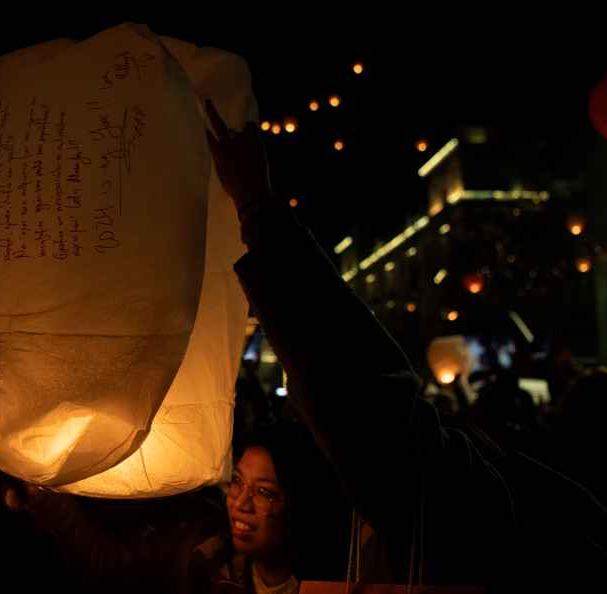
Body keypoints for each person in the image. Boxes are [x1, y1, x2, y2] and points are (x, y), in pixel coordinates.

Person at [204, 99, 607, 591]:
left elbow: (377, 414)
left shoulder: (527, 525)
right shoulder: (563, 517)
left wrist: (258, 209)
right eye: (238, 485)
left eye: (265, 491)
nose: (243, 503)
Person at [195, 422, 349, 593]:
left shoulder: (340, 584)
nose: (239, 503)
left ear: (299, 504)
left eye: (263, 492)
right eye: (237, 480)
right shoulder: (209, 571)